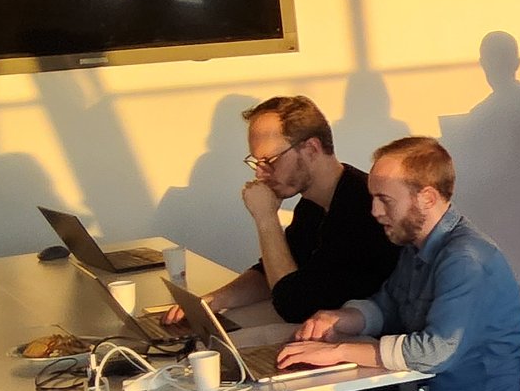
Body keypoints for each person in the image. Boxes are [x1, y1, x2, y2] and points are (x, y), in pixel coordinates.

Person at [265, 136, 520, 391]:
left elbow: (435, 352)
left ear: (426, 198)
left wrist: (341, 351)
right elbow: (389, 303)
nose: (374, 211)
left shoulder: (466, 260)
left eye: (384, 200)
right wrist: (342, 318)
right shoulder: (419, 246)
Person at [164, 94, 397, 342]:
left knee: (219, 344)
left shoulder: (363, 209)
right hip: (314, 322)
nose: (261, 173)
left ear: (311, 149)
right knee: (210, 333)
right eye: (256, 162)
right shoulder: (312, 205)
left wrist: (266, 219)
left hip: (369, 339)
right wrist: (214, 300)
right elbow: (270, 273)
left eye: (269, 161)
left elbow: (293, 304)